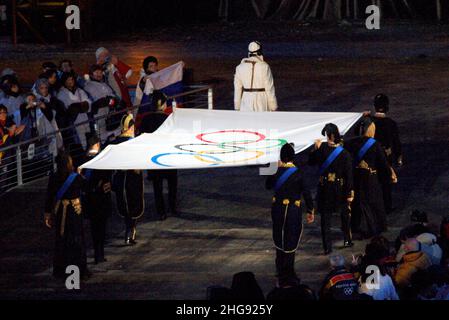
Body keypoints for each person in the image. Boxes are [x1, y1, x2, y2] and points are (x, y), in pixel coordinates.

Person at [266, 143, 314, 286]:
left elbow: (267, 186)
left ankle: (280, 271)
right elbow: (307, 193)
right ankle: (289, 273)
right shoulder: (299, 173)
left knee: (279, 239)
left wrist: (273, 167)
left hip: (278, 210)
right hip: (293, 211)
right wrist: (310, 210)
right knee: (290, 241)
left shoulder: (275, 170)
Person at [345, 117, 394, 239]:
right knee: (374, 203)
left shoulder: (351, 143)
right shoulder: (374, 144)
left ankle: (356, 227)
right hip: (371, 178)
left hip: (356, 177)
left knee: (358, 202)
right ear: (370, 130)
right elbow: (382, 163)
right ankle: (374, 228)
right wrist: (389, 176)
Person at [309, 123, 354, 254]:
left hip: (325, 188)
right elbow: (349, 175)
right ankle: (347, 239)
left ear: (331, 136)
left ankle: (327, 247)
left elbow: (311, 162)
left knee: (326, 219)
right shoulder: (344, 153)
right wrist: (350, 191)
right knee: (344, 215)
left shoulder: (322, 150)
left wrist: (315, 149)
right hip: (339, 188)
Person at [44, 152, 89, 279]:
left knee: (61, 239)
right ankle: (78, 270)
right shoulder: (75, 177)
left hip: (60, 212)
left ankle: (61, 269)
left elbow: (49, 196)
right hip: (74, 211)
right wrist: (81, 174)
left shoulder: (53, 177)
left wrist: (47, 214)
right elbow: (87, 187)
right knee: (76, 239)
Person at [140, 91, 177, 220]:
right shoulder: (169, 119)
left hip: (153, 158)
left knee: (158, 186)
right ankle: (172, 207)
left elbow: (141, 138)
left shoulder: (145, 119)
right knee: (172, 184)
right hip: (168, 157)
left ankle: (161, 211)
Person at [111, 114, 144, 245]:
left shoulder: (115, 142)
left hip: (119, 179)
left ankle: (128, 232)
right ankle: (130, 234)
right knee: (133, 207)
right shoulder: (134, 144)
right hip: (132, 180)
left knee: (125, 207)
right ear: (130, 127)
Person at [82, 134, 112, 264]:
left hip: (89, 200)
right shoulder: (101, 160)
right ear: (97, 144)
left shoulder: (83, 160)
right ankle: (100, 255)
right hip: (101, 199)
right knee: (101, 229)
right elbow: (107, 178)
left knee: (94, 229)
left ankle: (97, 254)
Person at [370, 94, 403, 215]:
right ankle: (387, 207)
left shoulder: (369, 122)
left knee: (373, 182)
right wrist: (399, 157)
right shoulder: (391, 123)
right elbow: (396, 142)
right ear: (387, 107)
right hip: (386, 157)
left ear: (375, 106)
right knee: (386, 183)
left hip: (371, 157)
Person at [56, 71, 91, 164]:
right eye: (68, 80)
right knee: (80, 143)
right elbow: (68, 109)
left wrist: (79, 106)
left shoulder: (80, 91)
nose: (70, 82)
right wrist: (79, 106)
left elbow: (87, 103)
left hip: (84, 119)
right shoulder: (61, 94)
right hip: (74, 123)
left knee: (88, 140)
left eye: (71, 79)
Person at [83, 64, 124, 141]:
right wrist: (109, 100)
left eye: (100, 72)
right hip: (99, 114)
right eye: (96, 72)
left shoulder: (104, 84)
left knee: (116, 132)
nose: (99, 74)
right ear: (91, 74)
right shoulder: (88, 86)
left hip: (110, 112)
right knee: (102, 135)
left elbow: (112, 96)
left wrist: (113, 101)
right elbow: (98, 100)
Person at [234, 41, 278, 112]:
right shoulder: (264, 67)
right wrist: (273, 106)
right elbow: (269, 88)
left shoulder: (239, 67)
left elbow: (237, 89)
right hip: (261, 100)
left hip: (246, 100)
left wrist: (237, 106)